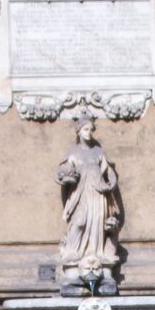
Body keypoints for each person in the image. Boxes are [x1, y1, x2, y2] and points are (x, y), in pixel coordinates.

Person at [56, 112, 124, 296]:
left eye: (91, 130)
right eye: (86, 129)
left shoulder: (98, 152)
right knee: (79, 222)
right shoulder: (74, 153)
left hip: (98, 194)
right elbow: (62, 171)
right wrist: (65, 178)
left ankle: (97, 256)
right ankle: (73, 254)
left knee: (97, 226)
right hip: (81, 193)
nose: (89, 133)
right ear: (78, 131)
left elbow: (109, 171)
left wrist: (111, 183)